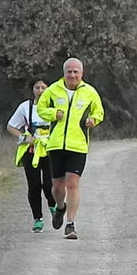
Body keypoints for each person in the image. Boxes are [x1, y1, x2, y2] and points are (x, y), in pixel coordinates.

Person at [37, 57, 104, 240]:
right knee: (57, 187)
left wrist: (93, 120)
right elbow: (40, 108)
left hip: (78, 145)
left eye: (76, 72)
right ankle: (60, 207)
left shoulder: (89, 92)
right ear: (64, 73)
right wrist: (53, 114)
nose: (72, 75)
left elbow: (99, 112)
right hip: (56, 145)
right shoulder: (52, 90)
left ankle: (70, 224)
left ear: (81, 74)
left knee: (72, 184)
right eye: (69, 71)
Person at [6, 79, 57, 233]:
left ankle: (53, 206)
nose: (40, 91)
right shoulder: (25, 107)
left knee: (49, 185)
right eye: (37, 87)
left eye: (43, 87)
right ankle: (38, 219)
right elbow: (11, 126)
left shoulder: (54, 107)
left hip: (50, 150)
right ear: (32, 90)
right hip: (31, 151)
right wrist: (24, 138)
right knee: (34, 186)